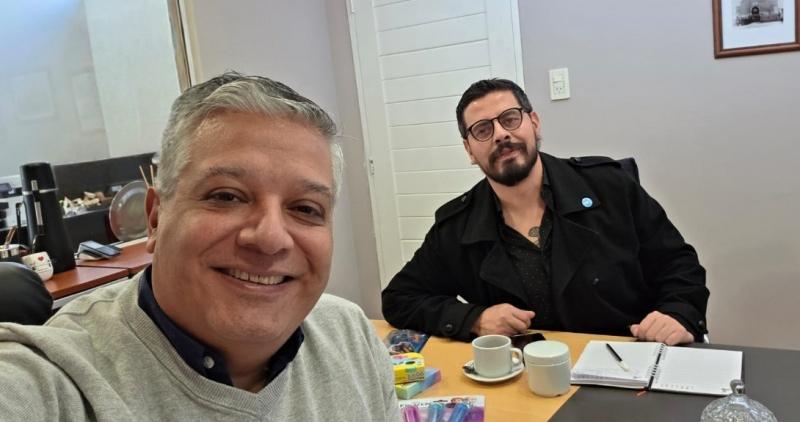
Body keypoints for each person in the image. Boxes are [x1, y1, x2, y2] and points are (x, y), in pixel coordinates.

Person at [0, 73, 400, 421]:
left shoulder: (350, 336)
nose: (271, 238)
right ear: (155, 218)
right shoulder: (51, 383)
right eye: (227, 196)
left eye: (305, 208)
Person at [382, 78, 708, 346]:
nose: (500, 134)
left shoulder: (609, 187)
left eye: (510, 118)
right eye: (482, 130)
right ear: (469, 150)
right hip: (524, 379)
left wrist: (677, 314)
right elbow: (399, 298)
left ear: (534, 123)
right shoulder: (457, 225)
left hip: (627, 362)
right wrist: (474, 319)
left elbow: (678, 265)